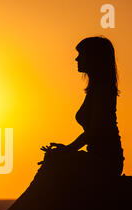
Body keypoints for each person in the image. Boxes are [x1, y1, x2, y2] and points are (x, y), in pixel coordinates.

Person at [42, 36, 124, 177]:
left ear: (94, 58)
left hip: (107, 161)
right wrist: (67, 149)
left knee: (54, 160)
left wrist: (68, 149)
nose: (77, 59)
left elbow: (95, 131)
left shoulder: (103, 89)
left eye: (81, 55)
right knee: (53, 157)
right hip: (95, 155)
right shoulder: (95, 88)